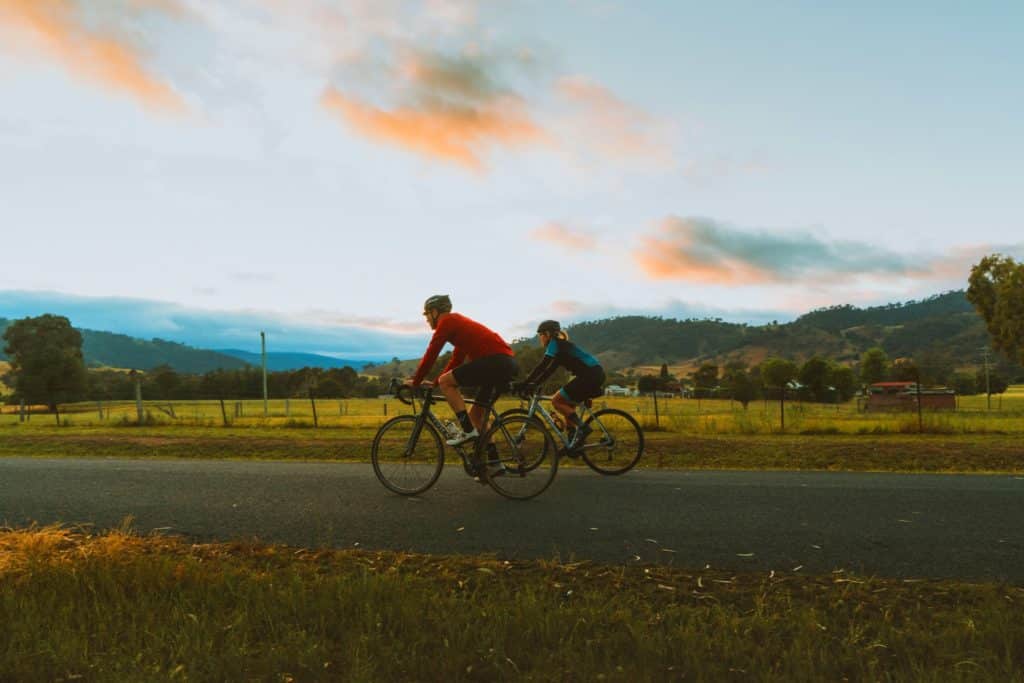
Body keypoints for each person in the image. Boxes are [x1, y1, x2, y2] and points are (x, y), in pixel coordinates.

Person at [406, 295, 518, 457]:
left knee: (447, 382)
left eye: (427, 315)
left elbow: (431, 354)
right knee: (476, 417)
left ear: (435, 312)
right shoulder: (459, 325)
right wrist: (435, 383)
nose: (427, 320)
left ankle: (467, 431)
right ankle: (494, 462)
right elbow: (456, 360)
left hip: (495, 361)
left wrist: (416, 382)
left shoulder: (447, 322)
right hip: (506, 363)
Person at [518, 320, 605, 451]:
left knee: (557, 400)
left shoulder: (554, 344)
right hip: (595, 374)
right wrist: (533, 383)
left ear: (547, 334)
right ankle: (572, 443)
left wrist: (526, 384)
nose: (540, 338)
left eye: (540, 335)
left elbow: (542, 366)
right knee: (568, 405)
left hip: (589, 375)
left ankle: (583, 428)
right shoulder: (561, 347)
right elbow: (548, 370)